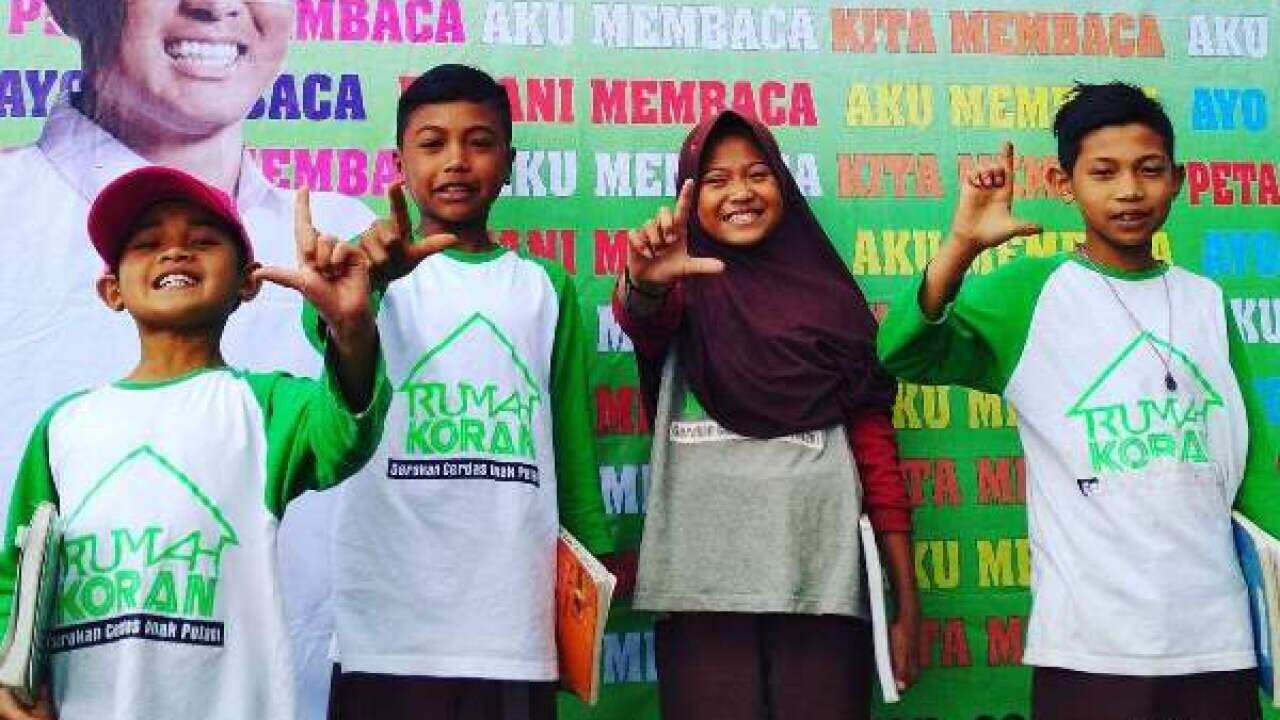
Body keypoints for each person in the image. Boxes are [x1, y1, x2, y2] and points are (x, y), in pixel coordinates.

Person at [0, 3, 375, 714]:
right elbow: (22, 567)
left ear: (249, 279)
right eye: (145, 243)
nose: (174, 251)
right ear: (110, 286)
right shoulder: (65, 426)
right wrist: (10, 674)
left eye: (203, 239)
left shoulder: (267, 407)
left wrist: (351, 330)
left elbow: (346, 430)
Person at [877, 82, 1279, 720]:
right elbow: (903, 352)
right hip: (1089, 644)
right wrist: (960, 247)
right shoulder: (1029, 293)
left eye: (1149, 171)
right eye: (1104, 172)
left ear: (1177, 180)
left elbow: (1251, 460)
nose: (1129, 190)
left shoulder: (1206, 300)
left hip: (1217, 636)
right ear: (1064, 184)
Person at [323, 64, 615, 720]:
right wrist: (360, 281)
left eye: (479, 141)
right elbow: (327, 339)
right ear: (398, 163)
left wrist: (593, 562)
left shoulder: (545, 287)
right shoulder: (368, 276)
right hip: (387, 627)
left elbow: (569, 441)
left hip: (510, 623)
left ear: (508, 162)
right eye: (432, 143)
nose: (456, 160)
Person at [612, 109, 920, 720]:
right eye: (717, 180)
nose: (741, 194)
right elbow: (640, 319)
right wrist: (644, 285)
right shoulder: (678, 290)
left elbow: (877, 460)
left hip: (823, 585)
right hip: (700, 588)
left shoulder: (835, 305)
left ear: (783, 185)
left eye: (758, 174)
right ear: (689, 196)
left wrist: (906, 599)